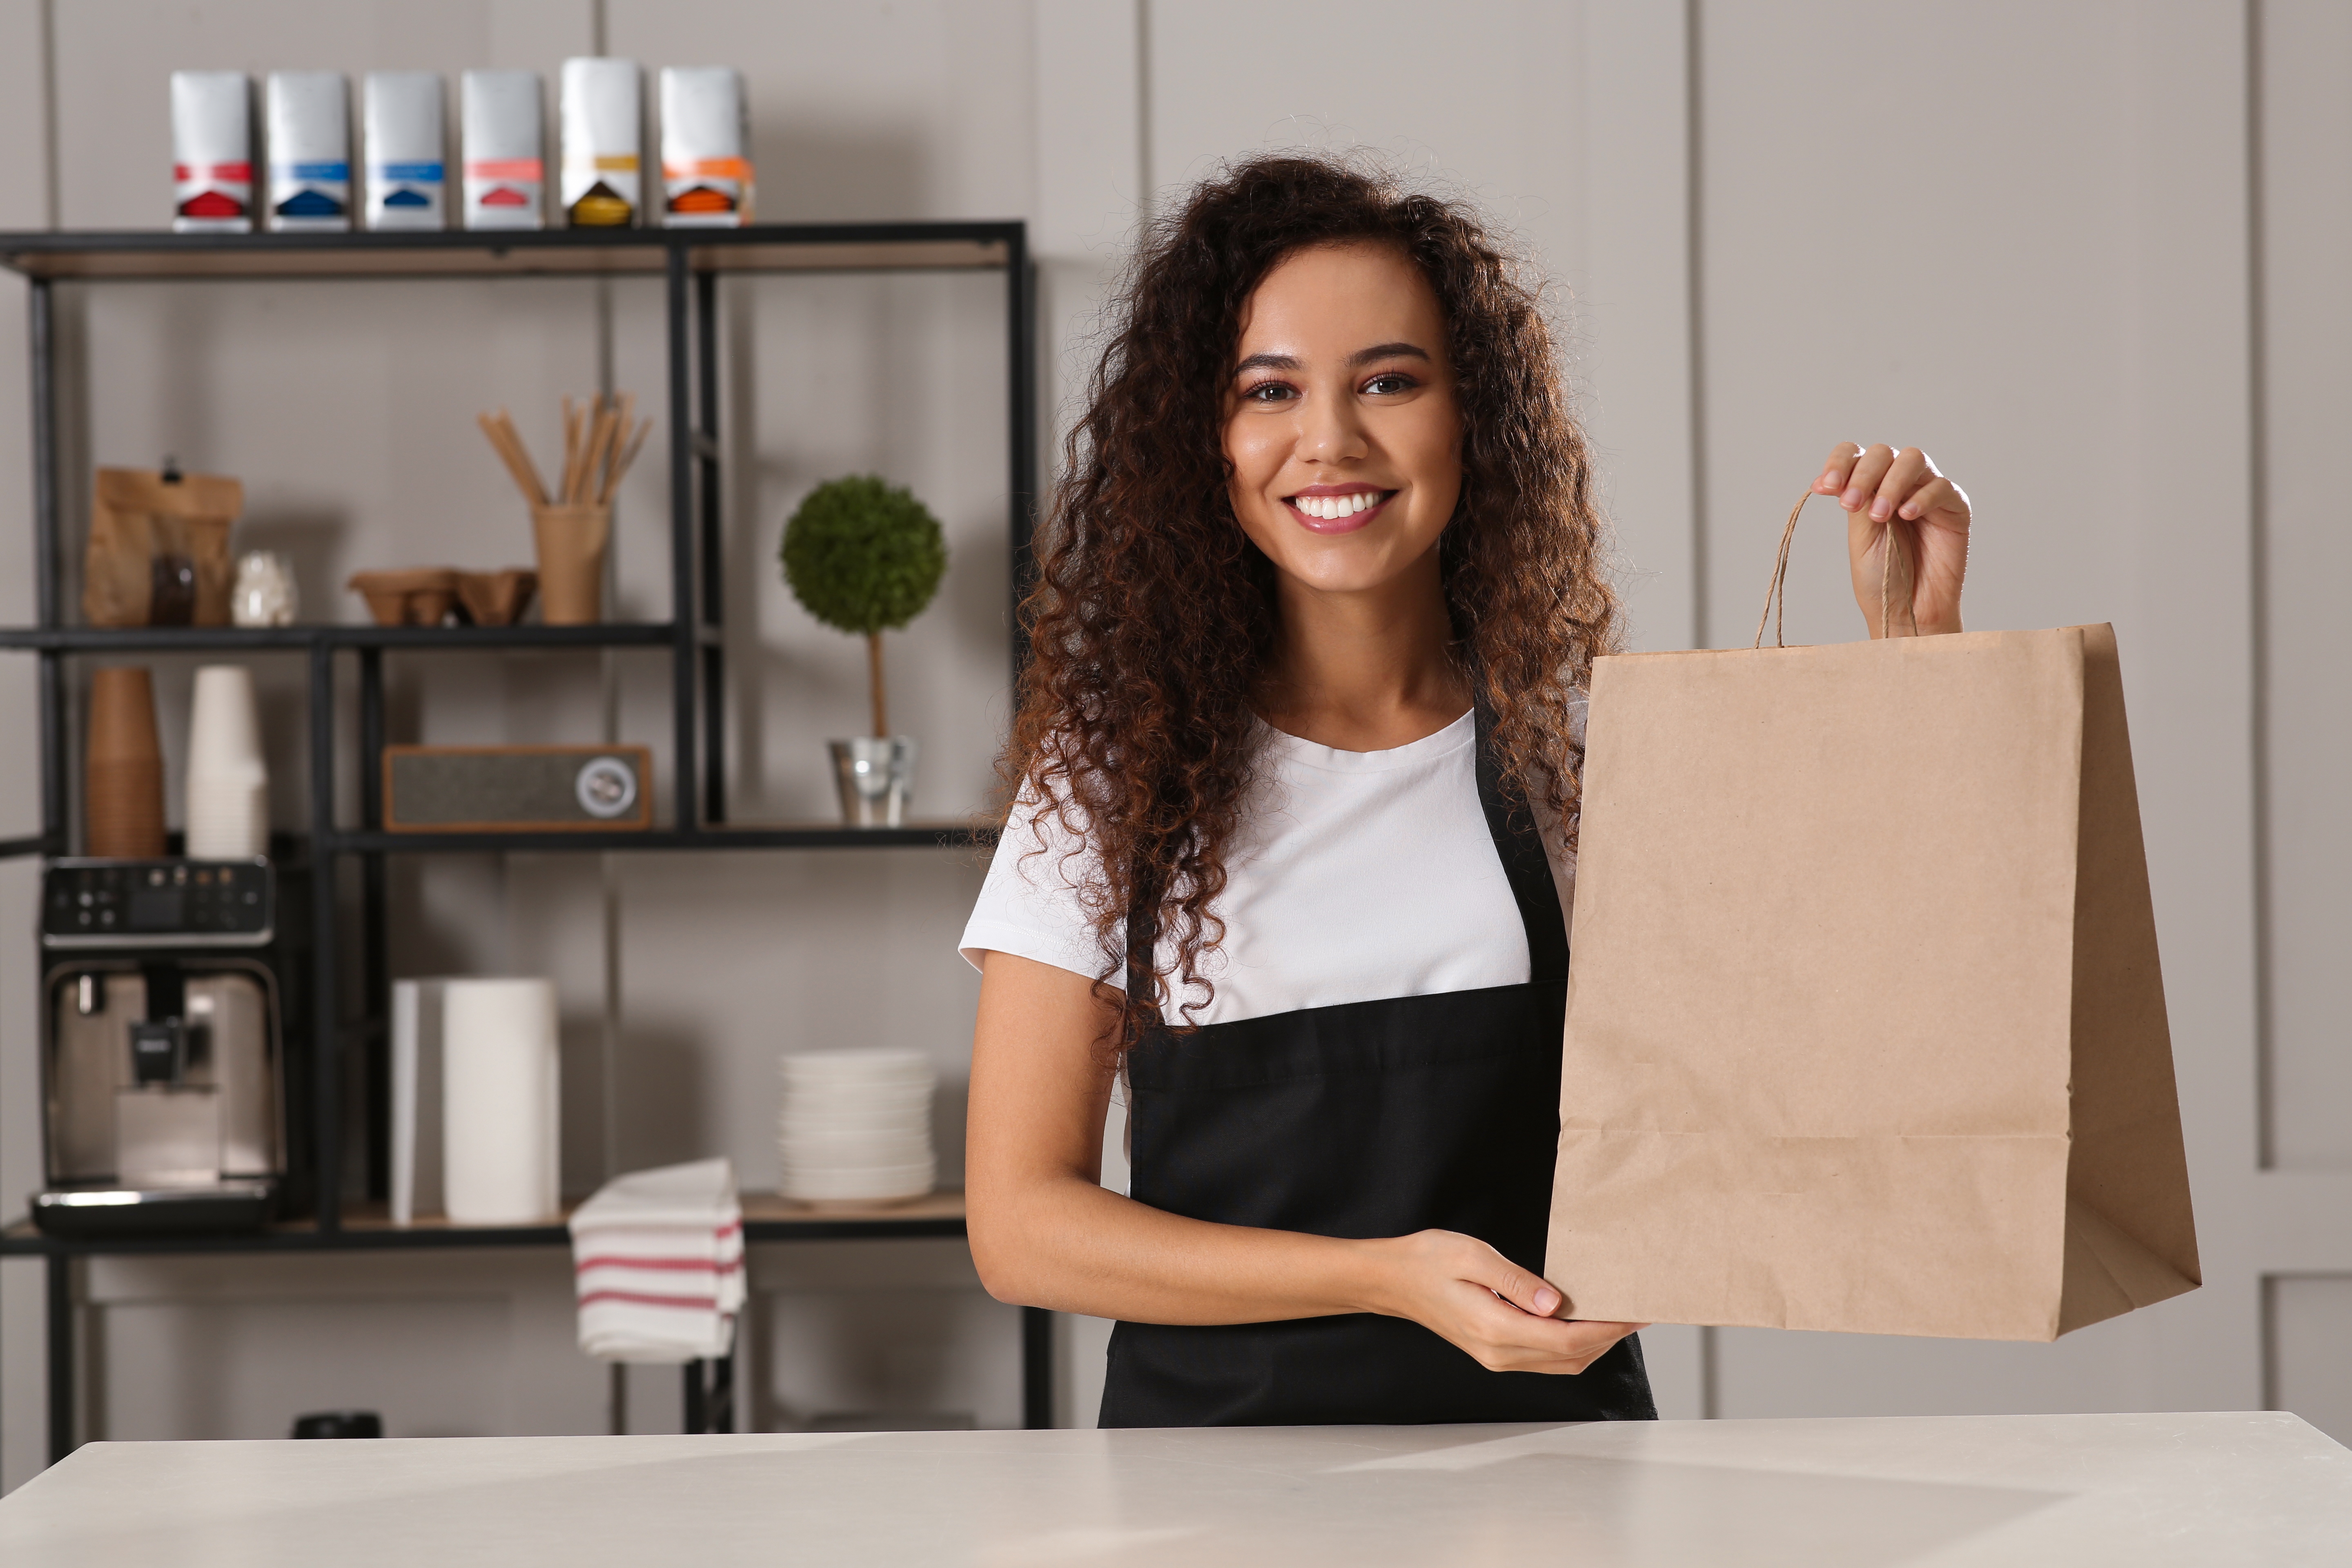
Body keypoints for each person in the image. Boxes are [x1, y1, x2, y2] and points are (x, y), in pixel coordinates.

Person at [961, 154, 1971, 1427]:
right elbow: (1022, 1227)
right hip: (1208, 1497)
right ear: (1201, 442)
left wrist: (1916, 656)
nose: (1330, 439)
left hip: (1552, 1484)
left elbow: (1827, 1059)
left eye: (1389, 380)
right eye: (1268, 390)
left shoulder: (1579, 751)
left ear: (1473, 418)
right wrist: (1389, 1281)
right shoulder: (1114, 781)